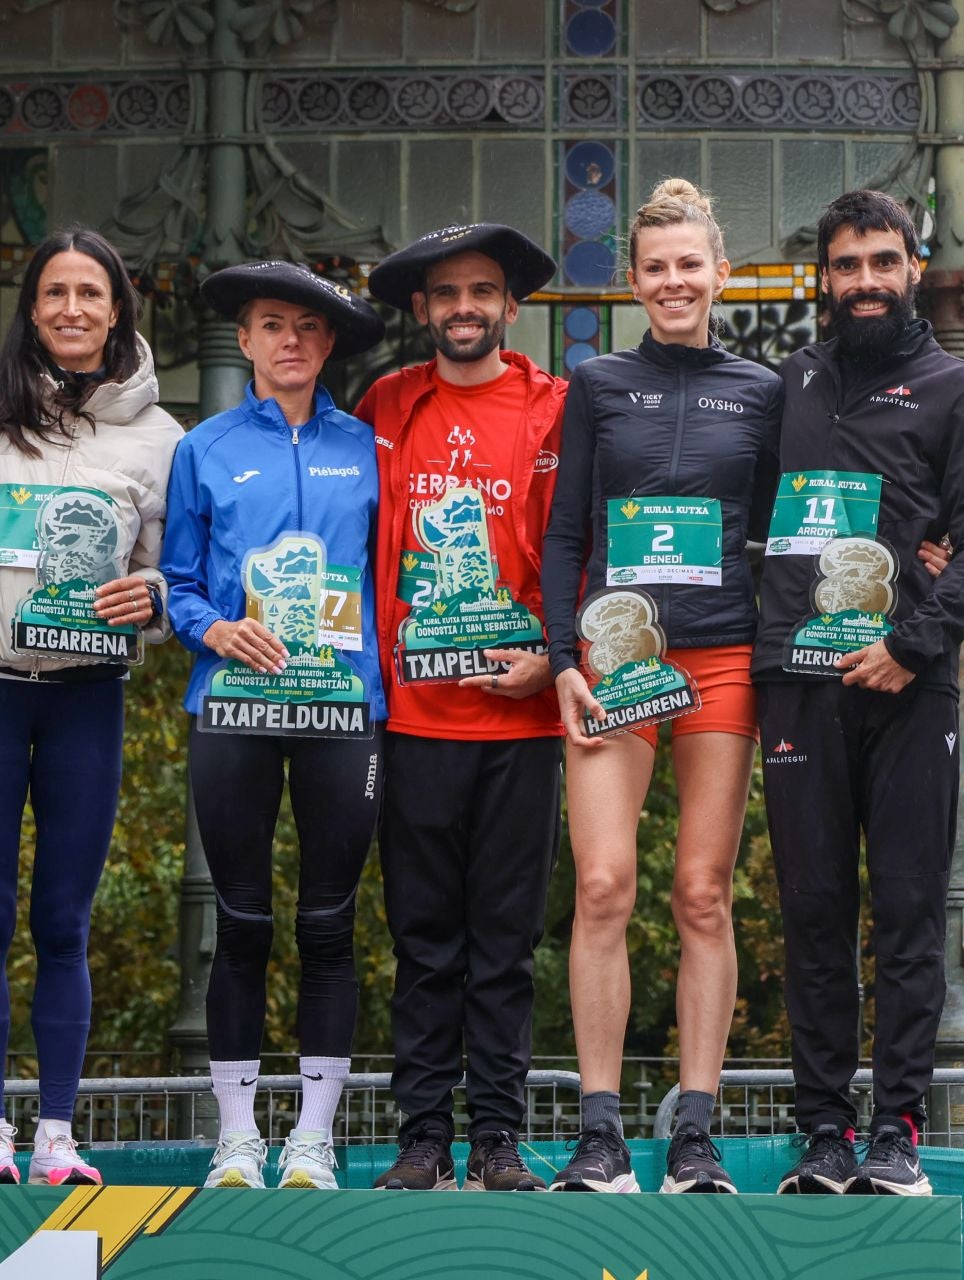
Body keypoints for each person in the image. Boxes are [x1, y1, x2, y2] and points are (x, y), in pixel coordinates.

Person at [758, 189, 964, 1197]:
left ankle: (896, 1133)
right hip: (798, 687)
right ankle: (824, 1132)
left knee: (908, 913)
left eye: (882, 262)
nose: (865, 281)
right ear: (823, 277)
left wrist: (912, 642)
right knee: (813, 915)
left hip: (909, 687)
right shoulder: (789, 383)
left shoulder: (960, 388)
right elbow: (742, 514)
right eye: (846, 264)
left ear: (913, 268)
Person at [539, 178, 782, 1195]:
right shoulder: (596, 383)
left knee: (702, 894)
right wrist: (562, 657)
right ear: (632, 281)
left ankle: (695, 1133)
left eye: (691, 264)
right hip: (616, 659)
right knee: (601, 885)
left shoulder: (764, 389)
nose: (674, 281)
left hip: (721, 654)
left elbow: (793, 527)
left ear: (721, 272)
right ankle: (600, 1133)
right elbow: (565, 532)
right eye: (656, 267)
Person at [0, 228, 183, 1187]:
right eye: (55, 293)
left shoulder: (162, 437)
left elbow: (176, 576)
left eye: (91, 292)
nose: (73, 309)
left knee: (63, 922)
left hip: (89, 698)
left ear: (117, 308)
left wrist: (153, 597)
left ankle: (54, 1135)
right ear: (31, 308)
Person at [159, 261, 387, 1190]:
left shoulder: (369, 449)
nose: (290, 340)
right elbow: (175, 582)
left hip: (343, 710)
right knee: (241, 922)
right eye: (271, 324)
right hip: (235, 708)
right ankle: (238, 1138)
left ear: (329, 344)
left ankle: (312, 1139)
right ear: (245, 340)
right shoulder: (203, 448)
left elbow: (391, 578)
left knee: (329, 924)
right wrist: (213, 628)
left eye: (308, 326)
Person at [354, 224, 566, 1192]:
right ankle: (423, 1135)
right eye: (447, 293)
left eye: (483, 290)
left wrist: (555, 657)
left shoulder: (557, 407)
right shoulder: (387, 403)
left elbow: (585, 540)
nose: (465, 307)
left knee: (507, 945)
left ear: (511, 305)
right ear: (422, 310)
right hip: (413, 717)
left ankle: (499, 1137)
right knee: (423, 941)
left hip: (522, 719)